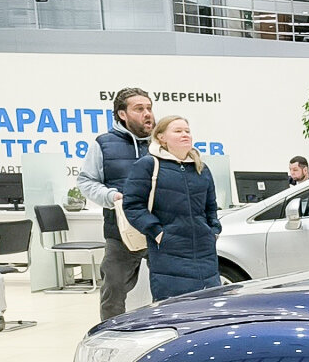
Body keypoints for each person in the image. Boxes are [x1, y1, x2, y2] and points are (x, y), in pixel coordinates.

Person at [120, 115, 221, 302]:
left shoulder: (201, 168)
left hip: (204, 250)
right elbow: (133, 205)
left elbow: (211, 206)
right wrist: (157, 232)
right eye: (178, 131)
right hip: (168, 250)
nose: (185, 135)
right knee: (174, 306)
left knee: (208, 303)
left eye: (187, 131)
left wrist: (213, 230)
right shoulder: (148, 165)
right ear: (161, 137)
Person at [76, 85, 153, 320]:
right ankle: (112, 333)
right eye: (139, 109)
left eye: (149, 108)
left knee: (169, 288)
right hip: (120, 232)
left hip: (158, 229)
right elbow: (86, 181)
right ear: (122, 114)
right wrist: (110, 196)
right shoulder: (104, 144)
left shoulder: (161, 142)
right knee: (113, 292)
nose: (147, 114)